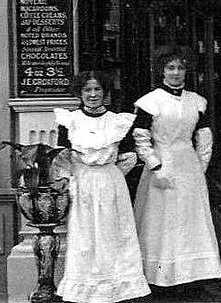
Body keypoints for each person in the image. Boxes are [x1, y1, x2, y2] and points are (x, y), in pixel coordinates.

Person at [54, 71, 150, 303]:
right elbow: (62, 157)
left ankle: (117, 289)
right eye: (88, 90)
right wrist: (70, 180)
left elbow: (128, 157)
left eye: (98, 90)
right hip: (82, 181)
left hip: (110, 182)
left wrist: (110, 176)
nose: (93, 95)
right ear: (80, 93)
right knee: (85, 237)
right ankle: (85, 292)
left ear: (105, 93)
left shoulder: (118, 121)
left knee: (113, 234)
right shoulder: (69, 121)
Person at [132, 52, 221, 293]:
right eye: (170, 67)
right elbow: (141, 138)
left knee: (190, 220)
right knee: (162, 220)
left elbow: (204, 137)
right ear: (161, 71)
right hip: (161, 164)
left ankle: (192, 277)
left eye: (180, 68)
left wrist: (200, 167)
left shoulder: (197, 101)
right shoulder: (150, 101)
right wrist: (155, 166)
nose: (175, 72)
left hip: (188, 165)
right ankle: (161, 278)